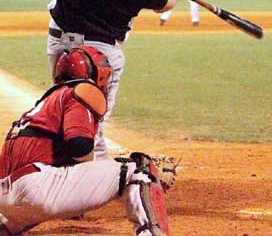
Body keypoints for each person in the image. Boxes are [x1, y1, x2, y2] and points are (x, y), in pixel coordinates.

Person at [46, 0, 187, 158]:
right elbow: (163, 3)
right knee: (92, 123)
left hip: (58, 40)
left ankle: (57, 164)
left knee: (65, 108)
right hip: (98, 53)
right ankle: (92, 180)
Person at [0, 46, 171, 235]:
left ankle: (6, 227)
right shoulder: (81, 91)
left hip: (6, 197)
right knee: (139, 168)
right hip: (37, 189)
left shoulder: (43, 105)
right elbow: (79, 148)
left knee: (36, 196)